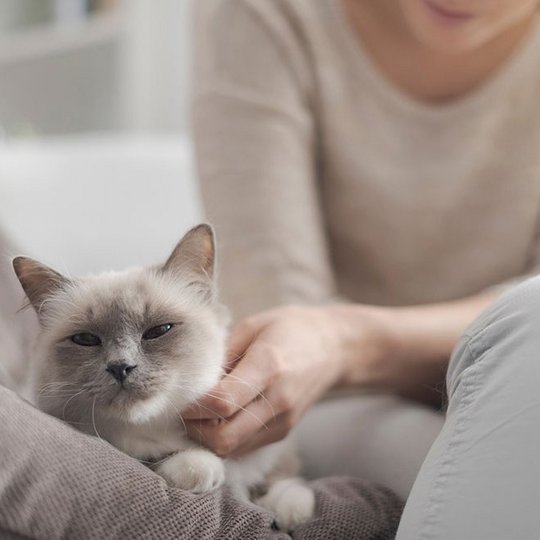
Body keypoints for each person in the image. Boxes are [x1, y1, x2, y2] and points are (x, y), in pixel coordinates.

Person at [188, 0, 540, 537]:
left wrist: (350, 340)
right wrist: (330, 347)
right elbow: (283, 318)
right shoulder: (267, 15)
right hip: (331, 400)